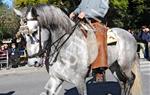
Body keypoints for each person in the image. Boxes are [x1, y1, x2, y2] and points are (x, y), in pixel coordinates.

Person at [69, 0, 109, 81]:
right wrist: (74, 12)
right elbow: (80, 8)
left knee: (99, 40)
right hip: (82, 23)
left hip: (96, 22)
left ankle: (99, 70)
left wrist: (87, 14)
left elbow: (103, 11)